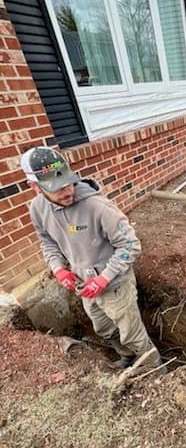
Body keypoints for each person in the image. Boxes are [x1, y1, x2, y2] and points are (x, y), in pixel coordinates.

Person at [21, 146, 165, 371]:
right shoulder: (37, 209)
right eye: (56, 188)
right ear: (34, 187)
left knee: (133, 335)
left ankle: (157, 371)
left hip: (115, 285)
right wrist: (59, 269)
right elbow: (47, 241)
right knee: (104, 329)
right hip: (84, 285)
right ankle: (127, 359)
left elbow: (130, 245)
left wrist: (104, 278)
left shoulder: (98, 207)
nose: (67, 191)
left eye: (68, 182)